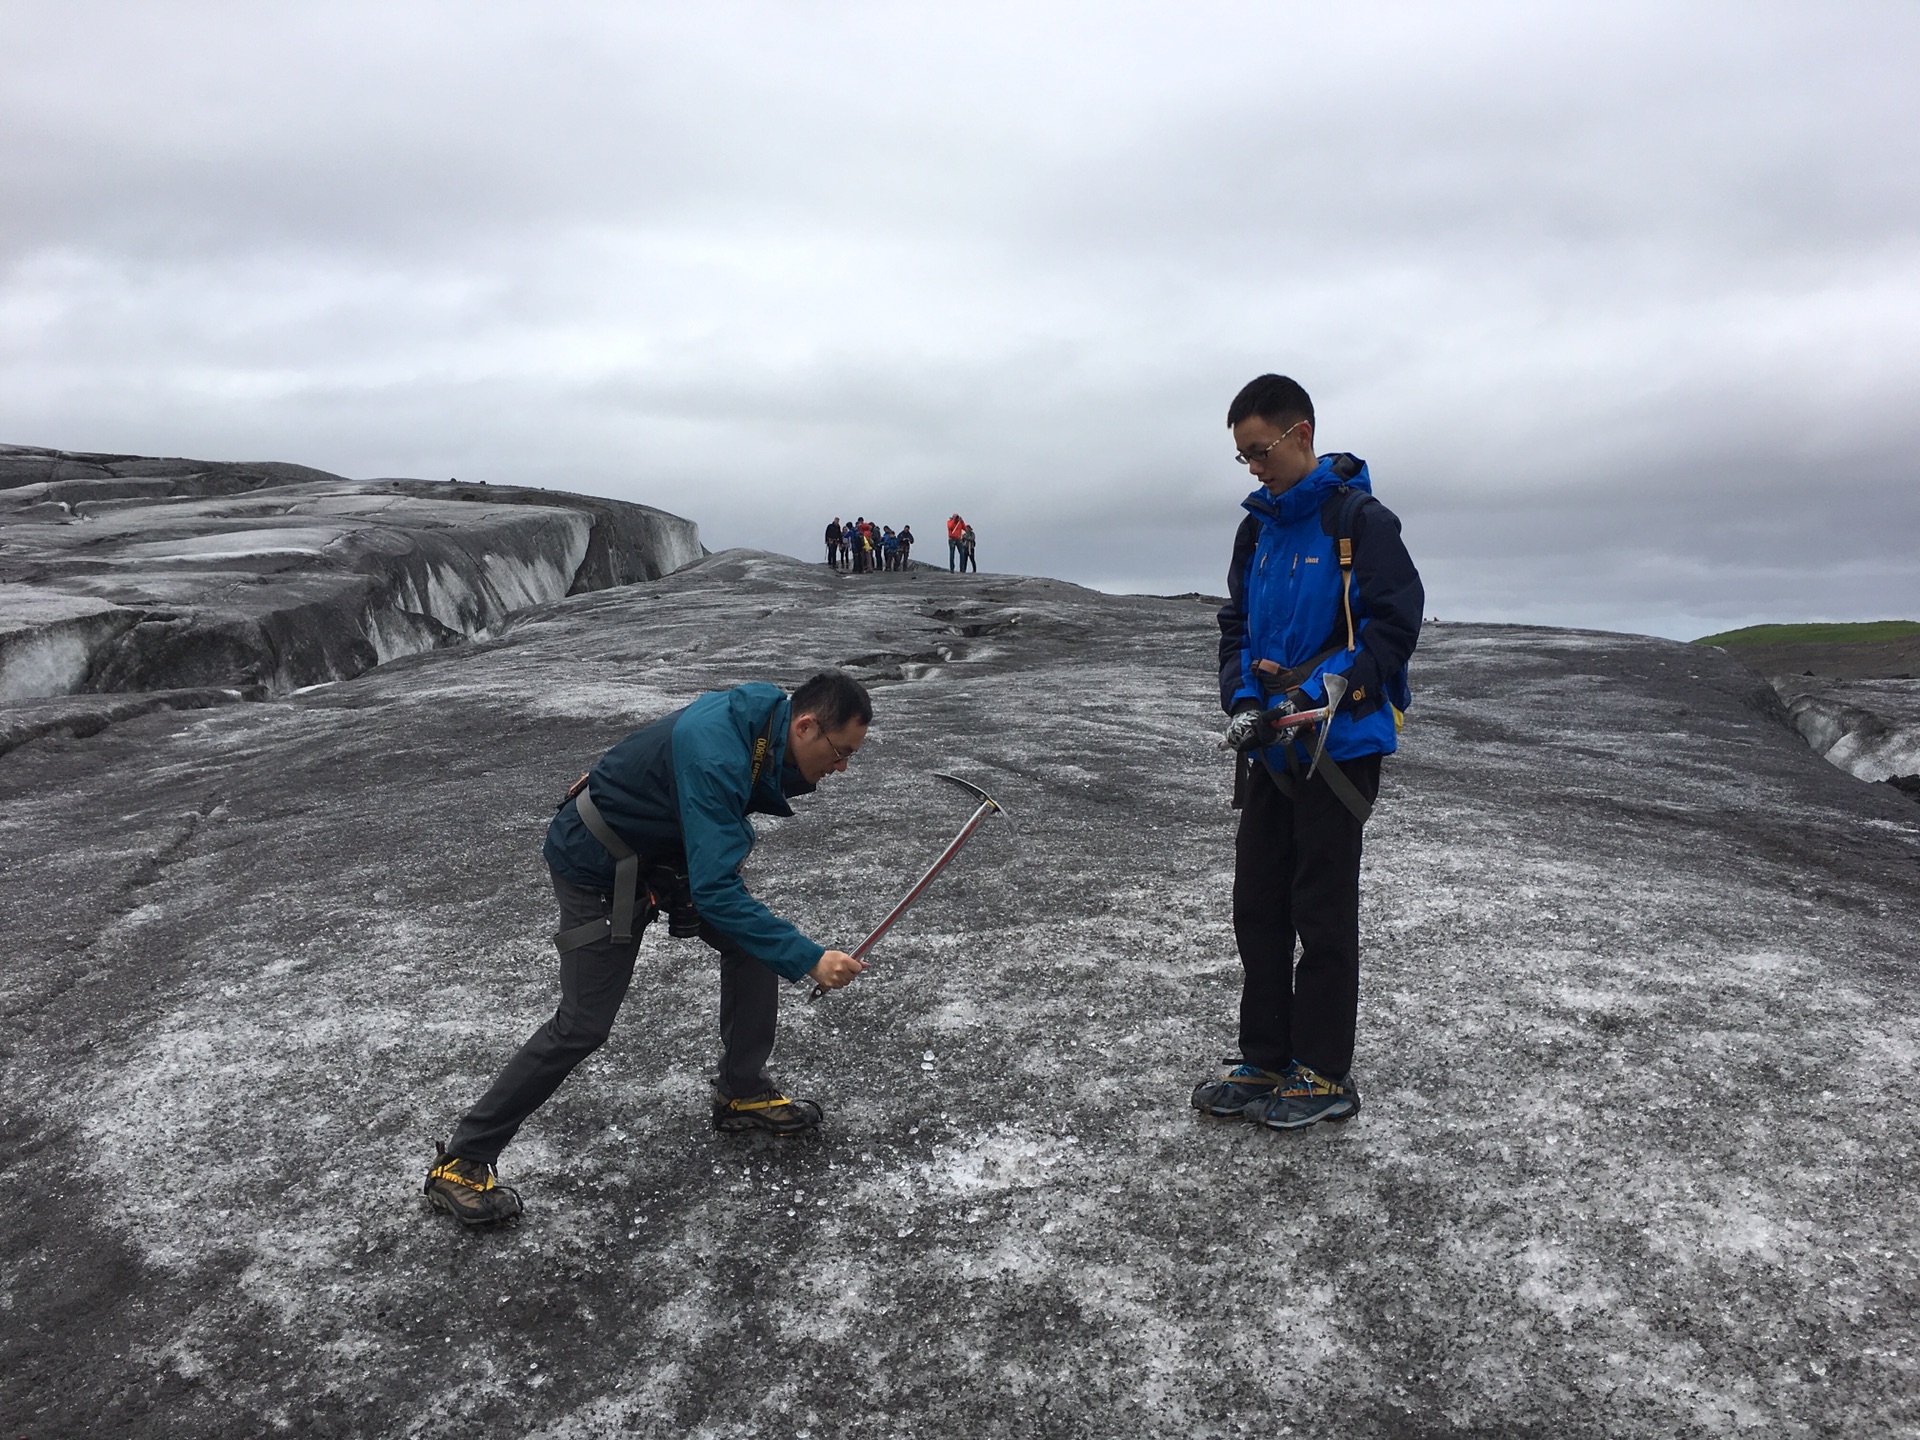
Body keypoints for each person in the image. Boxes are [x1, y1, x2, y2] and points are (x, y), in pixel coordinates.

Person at [424, 671, 874, 1225]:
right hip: (598, 863)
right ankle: (462, 1161)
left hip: (662, 853)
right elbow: (717, 889)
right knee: (583, 1024)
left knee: (754, 945)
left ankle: (742, 1092)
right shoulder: (719, 755)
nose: (842, 767)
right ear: (804, 725)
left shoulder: (764, 718)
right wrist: (810, 958)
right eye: (840, 751)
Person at [1193, 373, 1422, 1132]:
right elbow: (1236, 626)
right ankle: (1264, 1059)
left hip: (1340, 746)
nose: (1253, 467)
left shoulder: (1359, 521)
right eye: (1243, 458)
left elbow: (1393, 624)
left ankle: (1323, 1073)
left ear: (1301, 435)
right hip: (1271, 749)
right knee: (1257, 903)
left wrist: (1323, 693)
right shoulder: (1255, 529)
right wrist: (1245, 701)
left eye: (1259, 451)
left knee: (1321, 910)